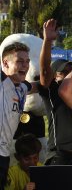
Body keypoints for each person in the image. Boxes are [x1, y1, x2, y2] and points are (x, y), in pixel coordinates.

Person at [38, 19, 72, 165]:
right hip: (59, 155)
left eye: (71, 71)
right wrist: (48, 41)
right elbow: (44, 69)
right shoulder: (52, 90)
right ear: (55, 76)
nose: (70, 75)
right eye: (64, 72)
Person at [0, 42, 33, 190]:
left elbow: (41, 85)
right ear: (5, 63)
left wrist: (48, 41)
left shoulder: (22, 87)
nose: (25, 66)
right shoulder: (2, 80)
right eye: (19, 61)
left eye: (27, 61)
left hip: (4, 154)